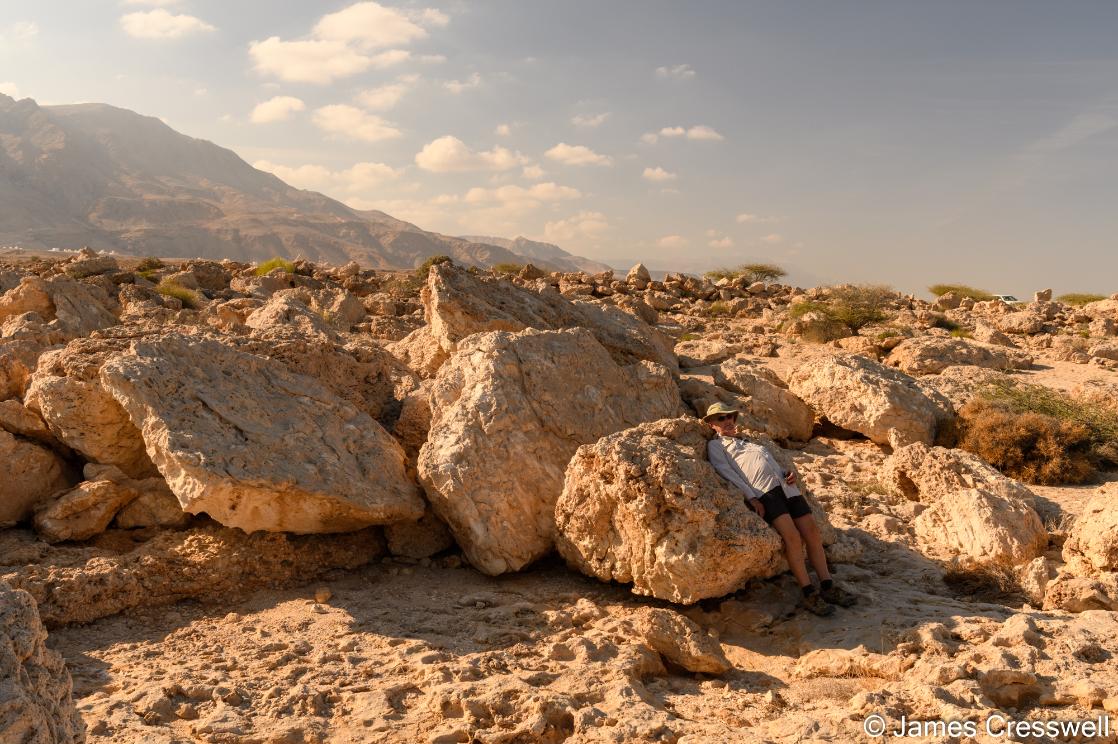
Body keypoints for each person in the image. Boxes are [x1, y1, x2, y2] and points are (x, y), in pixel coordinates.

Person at [702, 402, 856, 616]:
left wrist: (787, 473)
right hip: (766, 493)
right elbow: (727, 472)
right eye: (721, 418)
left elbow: (770, 464)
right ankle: (809, 592)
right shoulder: (717, 446)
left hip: (787, 488)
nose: (728, 421)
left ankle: (828, 586)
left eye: (730, 417)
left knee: (812, 532)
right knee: (792, 538)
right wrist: (752, 497)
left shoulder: (749, 442)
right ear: (711, 424)